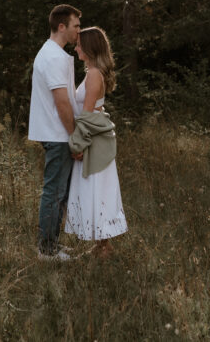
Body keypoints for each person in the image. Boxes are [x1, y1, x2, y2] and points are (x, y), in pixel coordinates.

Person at [65, 26, 127, 258]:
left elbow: (88, 114)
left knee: (98, 188)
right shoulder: (93, 72)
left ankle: (105, 247)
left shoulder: (93, 75)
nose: (76, 46)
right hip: (94, 135)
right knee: (97, 188)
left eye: (80, 43)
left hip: (93, 139)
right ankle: (102, 245)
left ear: (90, 48)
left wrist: (77, 145)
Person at [29, 4, 81, 261]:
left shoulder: (53, 53)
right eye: (75, 26)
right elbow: (61, 102)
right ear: (62, 27)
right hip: (58, 133)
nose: (78, 31)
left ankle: (52, 244)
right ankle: (47, 250)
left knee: (59, 192)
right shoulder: (52, 57)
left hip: (57, 133)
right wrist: (74, 137)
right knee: (54, 192)